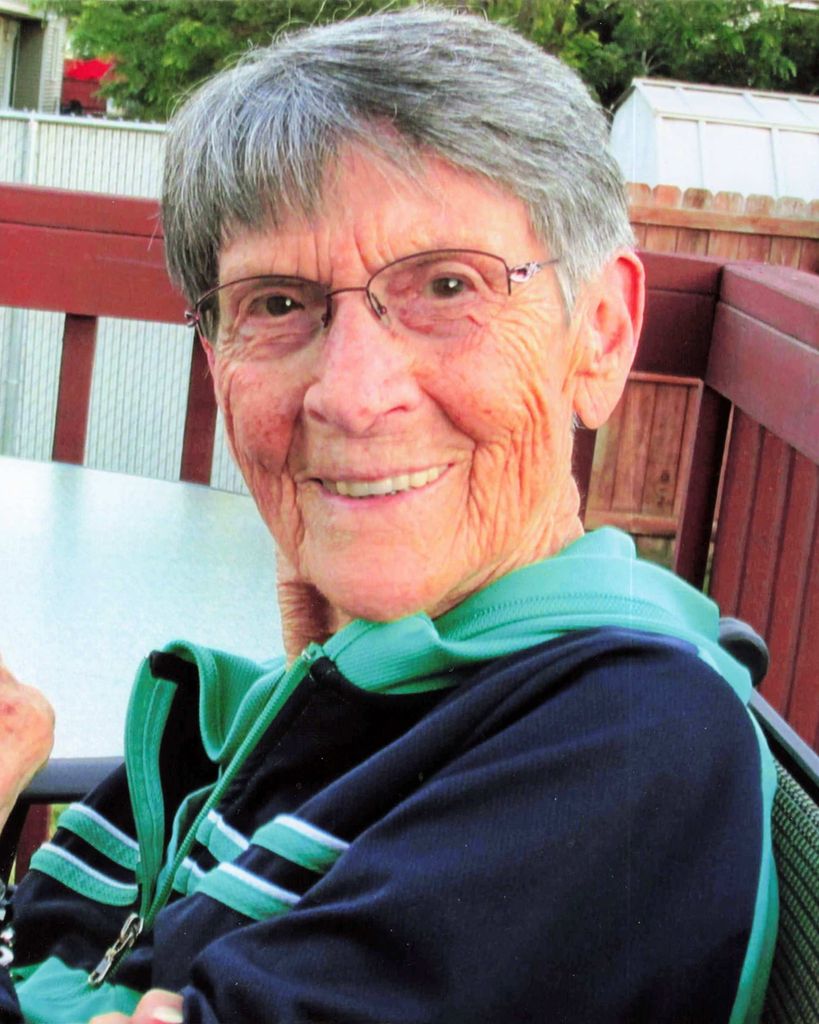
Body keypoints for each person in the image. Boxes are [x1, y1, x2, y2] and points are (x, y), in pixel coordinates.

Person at [0, 8, 776, 1023]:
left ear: (600, 333)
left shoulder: (626, 746)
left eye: (448, 286)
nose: (352, 395)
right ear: (219, 361)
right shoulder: (374, 685)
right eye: (278, 304)